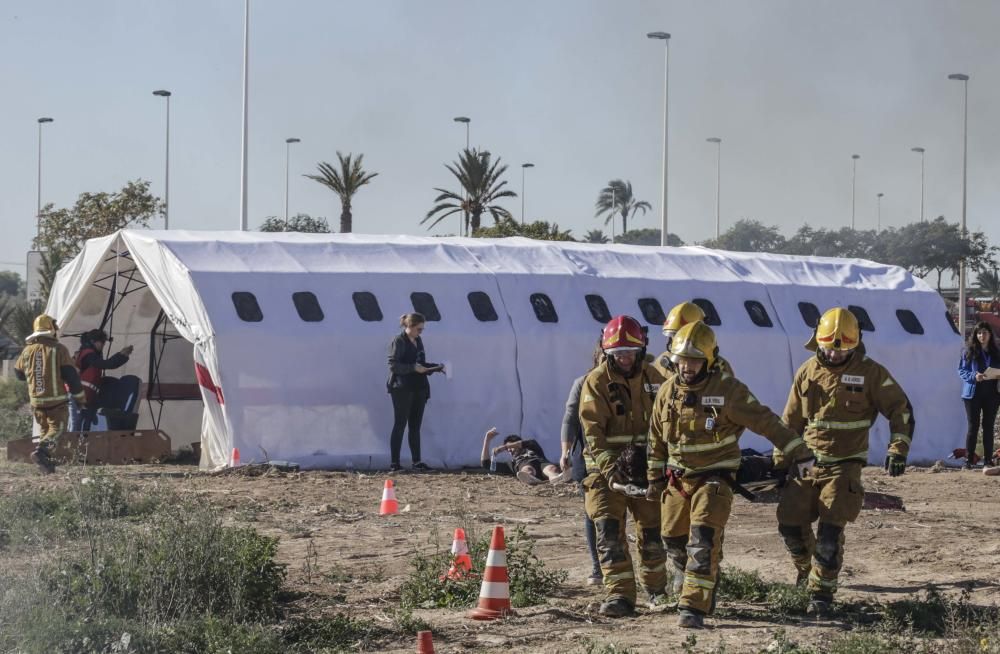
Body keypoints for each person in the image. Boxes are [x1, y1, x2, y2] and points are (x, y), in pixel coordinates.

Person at [647, 320, 814, 629]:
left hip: (716, 477)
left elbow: (766, 421)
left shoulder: (727, 390)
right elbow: (656, 438)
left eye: (695, 360)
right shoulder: (668, 391)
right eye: (683, 360)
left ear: (709, 360)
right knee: (673, 538)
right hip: (678, 478)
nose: (688, 367)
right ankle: (697, 580)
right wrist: (654, 477)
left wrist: (799, 451)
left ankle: (693, 606)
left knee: (703, 539)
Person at [776, 307, 914, 617]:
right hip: (808, 462)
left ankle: (821, 594)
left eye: (843, 349)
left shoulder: (871, 373)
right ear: (817, 340)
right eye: (828, 347)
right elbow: (790, 421)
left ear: (855, 343)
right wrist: (779, 459)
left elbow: (901, 409)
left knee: (829, 531)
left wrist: (898, 448)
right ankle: (808, 570)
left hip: (845, 464)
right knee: (789, 524)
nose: (835, 355)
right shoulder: (807, 371)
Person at [579, 315, 668, 617]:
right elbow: (592, 431)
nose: (625, 358)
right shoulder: (596, 382)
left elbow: (669, 423)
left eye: (630, 351)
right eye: (618, 353)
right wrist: (610, 469)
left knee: (653, 533)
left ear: (642, 348)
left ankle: (656, 590)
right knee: (608, 531)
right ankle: (619, 596)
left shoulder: (656, 380)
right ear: (606, 352)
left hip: (648, 470)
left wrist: (660, 465)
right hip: (606, 474)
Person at [13, 314, 86, 474]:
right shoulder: (58, 349)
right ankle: (40, 453)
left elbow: (18, 374)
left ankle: (46, 465)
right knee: (57, 430)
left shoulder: (27, 351)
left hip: (36, 403)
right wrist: (80, 399)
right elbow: (71, 377)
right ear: (51, 329)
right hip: (56, 403)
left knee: (46, 431)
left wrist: (36, 375)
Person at [561, 342, 605, 585]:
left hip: (624, 459)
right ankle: (598, 567)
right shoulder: (583, 383)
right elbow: (570, 418)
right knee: (592, 512)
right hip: (588, 460)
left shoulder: (634, 382)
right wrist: (565, 451)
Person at [386, 312, 443, 472]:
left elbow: (421, 363)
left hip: (419, 387)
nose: (421, 332)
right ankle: (394, 463)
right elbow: (393, 365)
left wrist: (435, 367)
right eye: (419, 329)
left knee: (415, 426)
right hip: (402, 388)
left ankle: (417, 462)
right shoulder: (398, 341)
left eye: (422, 329)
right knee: (400, 425)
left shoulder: (418, 340)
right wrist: (413, 368)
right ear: (409, 326)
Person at [69, 329, 133, 431]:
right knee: (75, 426)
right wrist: (122, 355)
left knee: (84, 425)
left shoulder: (86, 353)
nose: (103, 345)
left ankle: (81, 446)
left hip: (85, 398)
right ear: (94, 341)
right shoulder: (88, 355)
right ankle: (69, 446)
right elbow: (107, 364)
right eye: (102, 342)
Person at [653, 301, 734, 378]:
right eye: (673, 335)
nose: (675, 340)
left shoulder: (719, 367)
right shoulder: (661, 364)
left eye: (681, 335)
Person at [958, 321, 1000, 469]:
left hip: (992, 394)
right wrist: (973, 377)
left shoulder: (996, 353)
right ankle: (968, 460)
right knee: (973, 426)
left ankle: (988, 460)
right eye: (979, 333)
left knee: (988, 426)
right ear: (976, 335)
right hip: (972, 394)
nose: (982, 335)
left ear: (990, 335)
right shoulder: (968, 351)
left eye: (985, 333)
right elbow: (961, 371)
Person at [480, 428, 569, 484]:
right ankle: (531, 479)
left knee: (551, 468)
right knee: (527, 470)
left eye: (512, 447)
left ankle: (555, 478)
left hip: (542, 464)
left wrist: (504, 447)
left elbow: (529, 442)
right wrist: (487, 440)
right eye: (507, 450)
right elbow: (486, 464)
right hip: (525, 468)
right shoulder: (511, 464)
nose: (509, 450)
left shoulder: (534, 449)